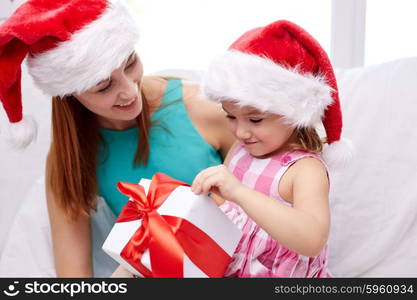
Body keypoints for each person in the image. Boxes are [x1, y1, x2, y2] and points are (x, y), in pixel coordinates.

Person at [0, 0, 234, 277]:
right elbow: (73, 279)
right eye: (104, 86)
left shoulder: (205, 109)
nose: (129, 91)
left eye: (131, 63)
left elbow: (264, 215)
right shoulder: (72, 156)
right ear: (70, 92)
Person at [191, 20, 352, 277]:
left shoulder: (304, 170)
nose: (241, 132)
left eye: (255, 120)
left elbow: (311, 240)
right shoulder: (242, 149)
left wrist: (239, 192)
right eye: (230, 116)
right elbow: (228, 209)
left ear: (291, 112)